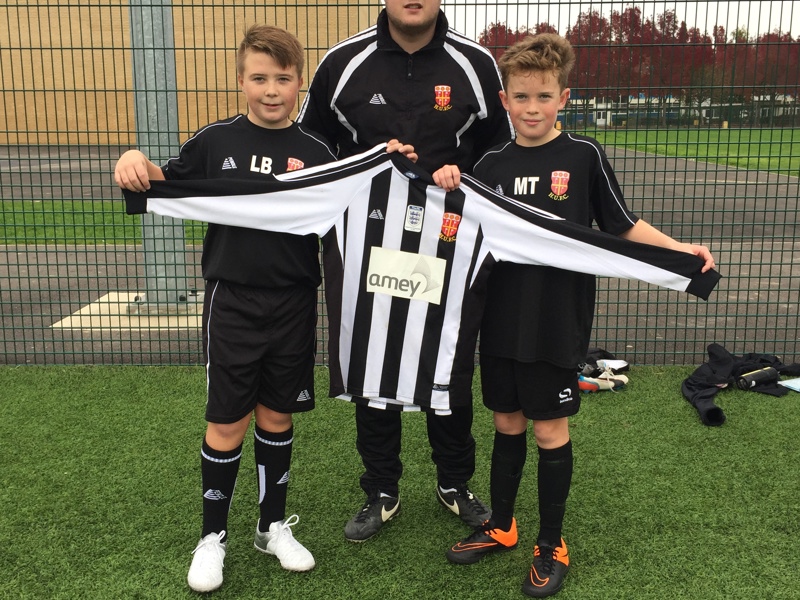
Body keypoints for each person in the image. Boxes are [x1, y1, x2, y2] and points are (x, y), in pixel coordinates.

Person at [443, 34, 716, 598]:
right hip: (498, 320)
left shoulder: (583, 156)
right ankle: (502, 526)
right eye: (521, 96)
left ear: (563, 97)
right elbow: (458, 231)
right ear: (504, 100)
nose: (533, 107)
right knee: (506, 422)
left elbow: (621, 225)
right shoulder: (489, 164)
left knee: (548, 428)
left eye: (544, 95)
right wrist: (446, 184)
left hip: (556, 320)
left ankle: (551, 544)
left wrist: (680, 251)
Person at [114, 25, 337, 593]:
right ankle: (213, 537)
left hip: (293, 302)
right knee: (226, 421)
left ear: (299, 83)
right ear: (241, 81)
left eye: (282, 79)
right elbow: (164, 181)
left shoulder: (317, 153)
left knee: (277, 417)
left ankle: (270, 528)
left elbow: (351, 209)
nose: (271, 90)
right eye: (259, 78)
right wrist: (135, 160)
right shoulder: (215, 141)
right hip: (232, 300)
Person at [296, 0, 514, 543]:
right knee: (375, 360)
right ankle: (381, 489)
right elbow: (310, 145)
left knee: (451, 360)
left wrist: (463, 173)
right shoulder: (342, 63)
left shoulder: (475, 63)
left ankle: (455, 482)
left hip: (449, 241)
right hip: (367, 239)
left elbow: (502, 146)